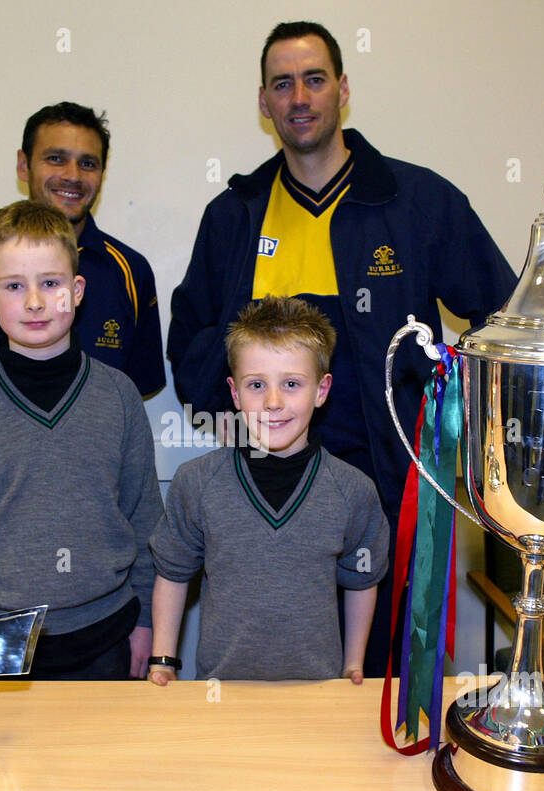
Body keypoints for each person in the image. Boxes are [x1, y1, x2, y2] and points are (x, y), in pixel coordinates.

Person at [166, 21, 517, 676]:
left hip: (391, 495)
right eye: (282, 84)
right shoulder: (235, 216)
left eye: (315, 79)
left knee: (380, 686)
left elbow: (505, 318)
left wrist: (453, 419)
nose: (299, 96)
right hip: (261, 505)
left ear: (343, 90)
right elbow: (187, 339)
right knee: (264, 681)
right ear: (265, 102)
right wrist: (239, 415)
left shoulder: (419, 202)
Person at [0, 201, 162, 679]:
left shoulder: (119, 396)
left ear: (77, 290)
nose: (34, 302)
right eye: (13, 286)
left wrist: (148, 621)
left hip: (105, 636)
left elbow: (145, 519)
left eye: (50, 283)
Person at [148, 296, 388, 684]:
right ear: (235, 393)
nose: (273, 402)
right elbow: (173, 574)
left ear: (322, 390)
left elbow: (362, 582)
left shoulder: (353, 490)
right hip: (219, 694)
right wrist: (162, 660)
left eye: (291, 384)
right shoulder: (196, 483)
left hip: (319, 692)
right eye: (257, 385)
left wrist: (353, 664)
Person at [0, 102, 165, 399]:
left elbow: (135, 392)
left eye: (88, 163)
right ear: (24, 165)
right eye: (56, 158)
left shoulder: (132, 272)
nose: (72, 175)